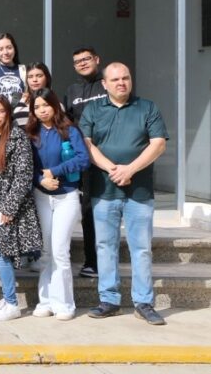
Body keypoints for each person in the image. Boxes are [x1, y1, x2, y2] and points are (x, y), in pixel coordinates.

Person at [80, 63, 168, 326]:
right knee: (105, 246)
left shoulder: (147, 108)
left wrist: (130, 169)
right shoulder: (93, 109)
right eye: (115, 79)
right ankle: (109, 301)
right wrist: (113, 169)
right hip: (103, 190)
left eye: (125, 78)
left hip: (139, 191)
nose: (121, 83)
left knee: (141, 249)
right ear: (104, 84)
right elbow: (86, 144)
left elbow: (158, 144)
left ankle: (143, 302)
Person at [27, 87, 90, 320]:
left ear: (54, 105)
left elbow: (83, 159)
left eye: (46, 105)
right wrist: (41, 180)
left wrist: (54, 171)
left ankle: (64, 304)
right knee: (45, 252)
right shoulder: (30, 134)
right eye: (37, 107)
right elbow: (27, 168)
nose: (42, 110)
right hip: (42, 197)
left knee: (60, 251)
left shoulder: (69, 130)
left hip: (67, 197)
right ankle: (45, 301)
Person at [0, 94, 40, 322]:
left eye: (1, 111)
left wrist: (9, 208)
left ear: (8, 113)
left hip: (11, 207)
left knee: (0, 251)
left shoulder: (18, 137)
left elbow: (23, 176)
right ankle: (7, 299)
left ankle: (12, 303)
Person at [66, 46, 107, 279]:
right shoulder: (72, 90)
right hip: (85, 160)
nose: (82, 63)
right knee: (88, 210)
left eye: (86, 59)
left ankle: (107, 260)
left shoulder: (107, 84)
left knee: (109, 210)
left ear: (96, 59)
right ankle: (92, 262)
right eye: (77, 61)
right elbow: (67, 123)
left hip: (110, 157)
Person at [0, 32, 26, 105]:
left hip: (18, 111)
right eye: (0, 49)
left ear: (14, 49)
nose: (5, 52)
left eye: (9, 48)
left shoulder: (23, 70)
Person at [12, 62, 53, 129]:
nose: (34, 80)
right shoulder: (18, 98)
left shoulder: (54, 101)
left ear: (47, 78)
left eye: (39, 76)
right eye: (30, 77)